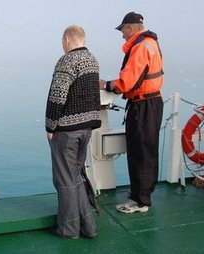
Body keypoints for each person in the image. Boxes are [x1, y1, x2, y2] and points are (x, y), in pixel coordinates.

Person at [100, 12, 164, 213]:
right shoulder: (151, 43)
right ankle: (143, 192)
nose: (122, 35)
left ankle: (140, 201)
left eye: (123, 30)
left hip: (143, 106)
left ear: (131, 27)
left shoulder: (140, 47)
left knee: (140, 152)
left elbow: (127, 82)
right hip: (151, 103)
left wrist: (107, 84)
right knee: (147, 150)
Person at [45, 25, 101, 239]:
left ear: (67, 39)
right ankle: (88, 227)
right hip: (86, 129)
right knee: (75, 177)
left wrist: (50, 126)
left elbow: (57, 96)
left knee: (64, 180)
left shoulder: (66, 60)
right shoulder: (92, 60)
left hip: (67, 130)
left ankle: (68, 230)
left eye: (62, 41)